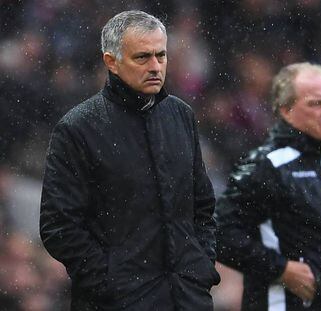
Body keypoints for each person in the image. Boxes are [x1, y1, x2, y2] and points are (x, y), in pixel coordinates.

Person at [39, 10, 220, 311]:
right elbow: (58, 225)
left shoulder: (181, 115)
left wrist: (199, 267)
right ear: (111, 61)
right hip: (117, 302)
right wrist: (111, 282)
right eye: (142, 57)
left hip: (187, 298)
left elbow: (203, 206)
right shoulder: (78, 128)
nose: (155, 67)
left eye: (161, 56)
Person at [215, 62, 321, 310]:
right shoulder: (266, 165)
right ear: (286, 110)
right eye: (316, 103)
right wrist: (281, 269)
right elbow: (218, 233)